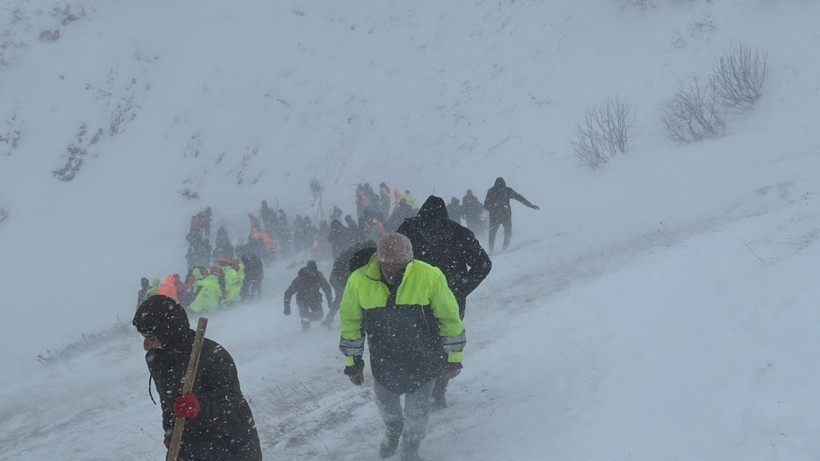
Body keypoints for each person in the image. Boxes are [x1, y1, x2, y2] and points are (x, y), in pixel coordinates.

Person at [339, 233, 465, 460]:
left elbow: (450, 319)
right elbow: (350, 325)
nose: (391, 270)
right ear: (379, 259)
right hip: (384, 362)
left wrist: (454, 359)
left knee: (417, 414)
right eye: (387, 264)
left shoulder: (429, 276)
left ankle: (410, 450)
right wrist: (353, 364)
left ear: (409, 261)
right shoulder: (358, 281)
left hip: (424, 359)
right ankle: (393, 431)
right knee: (389, 410)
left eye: (398, 265)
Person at [132, 295, 262, 460]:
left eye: (151, 338)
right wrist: (170, 433)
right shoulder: (157, 359)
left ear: (168, 333)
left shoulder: (212, 356)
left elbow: (236, 410)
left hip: (230, 449)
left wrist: (200, 407)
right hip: (188, 449)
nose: (146, 346)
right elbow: (168, 405)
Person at [397, 195, 492, 409]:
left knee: (414, 342)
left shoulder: (408, 230)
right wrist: (462, 288)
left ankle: (420, 388)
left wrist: (398, 288)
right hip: (451, 299)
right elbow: (483, 264)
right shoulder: (459, 233)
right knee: (446, 343)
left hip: (414, 299)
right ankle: (437, 392)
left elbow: (393, 260)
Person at [322, 240, 376, 328]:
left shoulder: (356, 251)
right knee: (342, 297)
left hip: (337, 276)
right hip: (339, 278)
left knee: (345, 297)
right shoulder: (359, 255)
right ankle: (330, 319)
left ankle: (330, 318)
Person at [483, 177, 539, 254]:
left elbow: (486, 205)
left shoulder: (491, 191)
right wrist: (530, 205)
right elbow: (519, 197)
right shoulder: (507, 190)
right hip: (506, 215)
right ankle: (505, 248)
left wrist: (493, 208)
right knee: (508, 233)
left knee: (492, 234)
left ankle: (491, 251)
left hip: (495, 216)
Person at [283, 261, 333, 331]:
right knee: (305, 318)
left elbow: (327, 288)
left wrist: (329, 300)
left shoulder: (319, 276)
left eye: (314, 271)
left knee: (319, 316)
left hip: (315, 299)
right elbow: (288, 293)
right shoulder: (300, 278)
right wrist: (287, 307)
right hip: (302, 299)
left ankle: (306, 318)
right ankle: (305, 332)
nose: (312, 273)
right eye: (310, 271)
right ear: (307, 269)